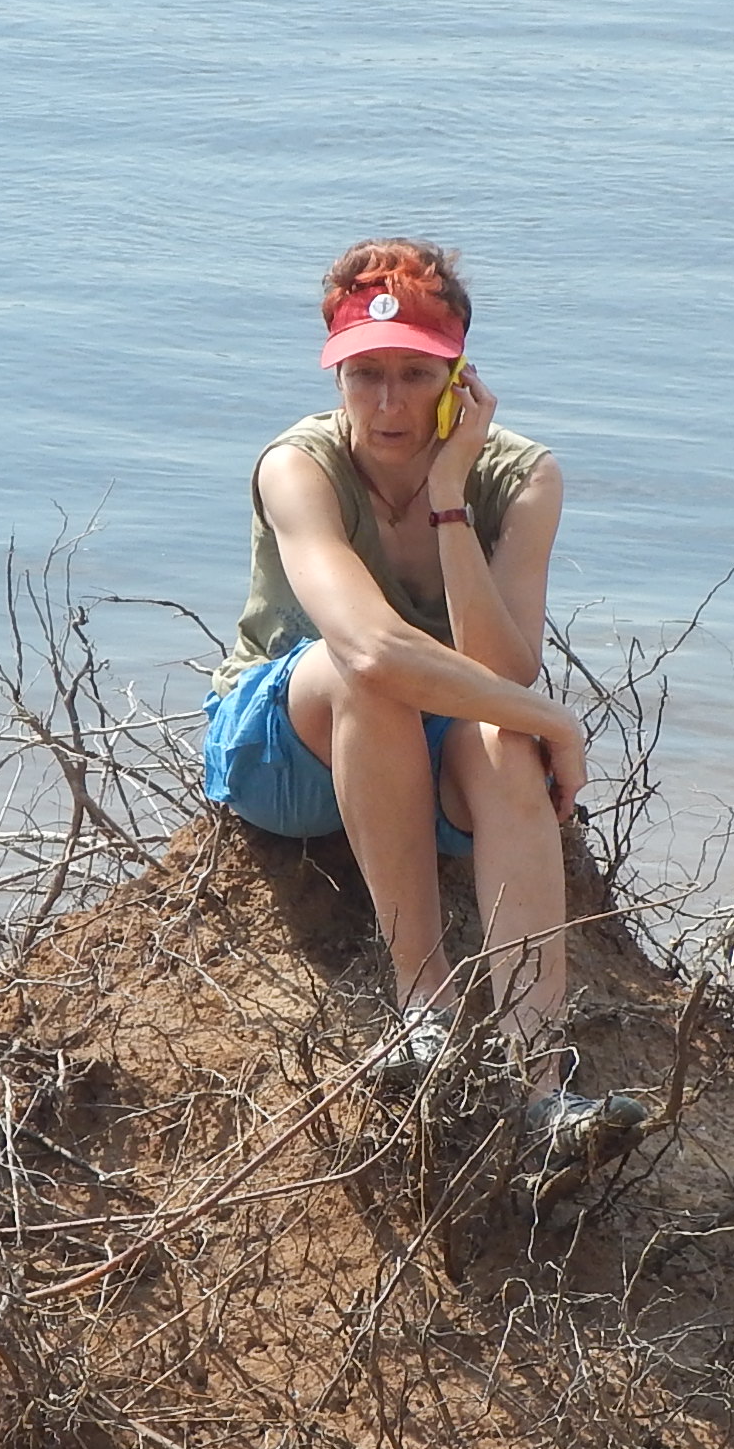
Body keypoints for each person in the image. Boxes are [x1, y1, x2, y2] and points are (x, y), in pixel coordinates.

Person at [202, 238, 646, 1158]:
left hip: (430, 749)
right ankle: (424, 1005)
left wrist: (449, 500)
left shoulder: (520, 477)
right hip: (284, 749)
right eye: (364, 374)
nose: (387, 403)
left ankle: (541, 1085)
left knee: (502, 738)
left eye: (414, 374)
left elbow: (503, 670)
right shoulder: (298, 466)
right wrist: (556, 723)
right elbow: (368, 647)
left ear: (459, 378)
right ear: (336, 374)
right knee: (367, 675)